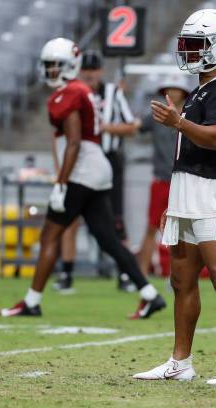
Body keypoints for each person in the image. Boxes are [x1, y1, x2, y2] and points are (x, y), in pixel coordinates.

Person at [133, 9, 216, 385]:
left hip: (212, 193)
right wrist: (173, 204)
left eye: (196, 45)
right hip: (186, 193)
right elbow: (185, 151)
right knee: (180, 280)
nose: (188, 52)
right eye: (186, 45)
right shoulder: (202, 90)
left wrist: (179, 123)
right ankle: (180, 362)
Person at [0, 38, 165, 318]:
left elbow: (74, 142)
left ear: (69, 66)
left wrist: (61, 183)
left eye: (56, 66)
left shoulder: (71, 93)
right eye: (48, 66)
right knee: (108, 239)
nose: (51, 71)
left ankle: (31, 301)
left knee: (50, 234)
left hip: (83, 170)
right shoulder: (77, 91)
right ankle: (150, 295)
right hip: (94, 168)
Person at [53, 50, 141, 293]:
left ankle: (125, 274)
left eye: (93, 69)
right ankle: (66, 273)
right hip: (79, 162)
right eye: (86, 69)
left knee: (116, 221)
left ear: (100, 70)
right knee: (68, 219)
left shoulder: (113, 93)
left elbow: (132, 126)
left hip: (108, 161)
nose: (90, 74)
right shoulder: (73, 93)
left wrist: (104, 128)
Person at [136, 73, 190, 276]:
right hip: (161, 180)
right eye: (169, 89)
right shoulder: (156, 116)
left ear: (183, 93)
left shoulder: (191, 115)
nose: (172, 93)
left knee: (185, 231)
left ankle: (181, 273)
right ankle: (140, 275)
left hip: (184, 180)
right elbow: (135, 127)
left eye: (176, 89)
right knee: (151, 228)